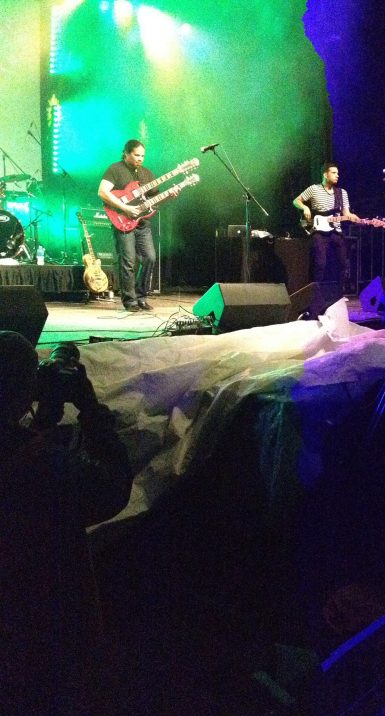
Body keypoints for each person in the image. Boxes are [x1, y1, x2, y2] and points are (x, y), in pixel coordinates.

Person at [0, 335, 132, 714]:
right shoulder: (43, 465)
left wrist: (40, 421)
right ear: (28, 387)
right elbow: (112, 488)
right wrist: (89, 406)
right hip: (40, 631)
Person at [96, 139, 168, 311]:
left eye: (142, 155)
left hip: (142, 223)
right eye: (136, 155)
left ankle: (141, 295)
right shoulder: (115, 169)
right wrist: (125, 208)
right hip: (122, 220)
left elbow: (153, 200)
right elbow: (102, 192)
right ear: (126, 153)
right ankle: (130, 300)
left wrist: (169, 195)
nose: (140, 159)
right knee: (128, 260)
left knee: (150, 257)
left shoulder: (146, 174)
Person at [295, 162, 382, 285]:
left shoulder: (342, 193)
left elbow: (347, 214)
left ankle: (338, 293)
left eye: (338, 173)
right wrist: (305, 208)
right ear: (325, 174)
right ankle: (314, 293)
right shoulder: (314, 189)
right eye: (334, 173)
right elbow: (296, 200)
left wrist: (363, 221)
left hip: (335, 230)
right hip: (318, 231)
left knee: (343, 264)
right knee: (320, 263)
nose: (337, 176)